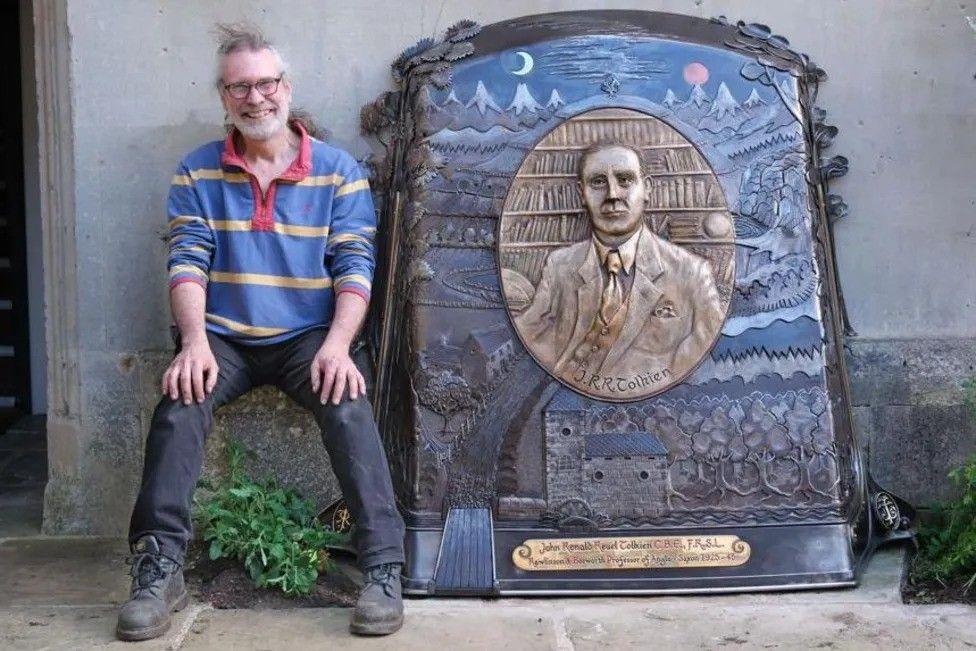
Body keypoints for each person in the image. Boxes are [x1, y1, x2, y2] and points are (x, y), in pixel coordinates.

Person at [116, 24, 404, 640]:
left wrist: (337, 345)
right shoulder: (197, 173)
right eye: (239, 86)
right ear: (223, 97)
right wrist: (193, 343)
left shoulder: (338, 171)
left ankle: (383, 566)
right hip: (223, 335)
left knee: (349, 403)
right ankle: (159, 566)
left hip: (309, 337)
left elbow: (356, 263)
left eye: (265, 83)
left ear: (286, 88)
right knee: (180, 403)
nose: (255, 98)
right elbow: (187, 260)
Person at [514, 142, 725, 398]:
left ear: (646, 188)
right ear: (582, 193)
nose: (612, 195)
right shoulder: (560, 265)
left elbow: (705, 358)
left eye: (625, 180)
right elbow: (527, 336)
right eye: (598, 182)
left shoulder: (692, 273)